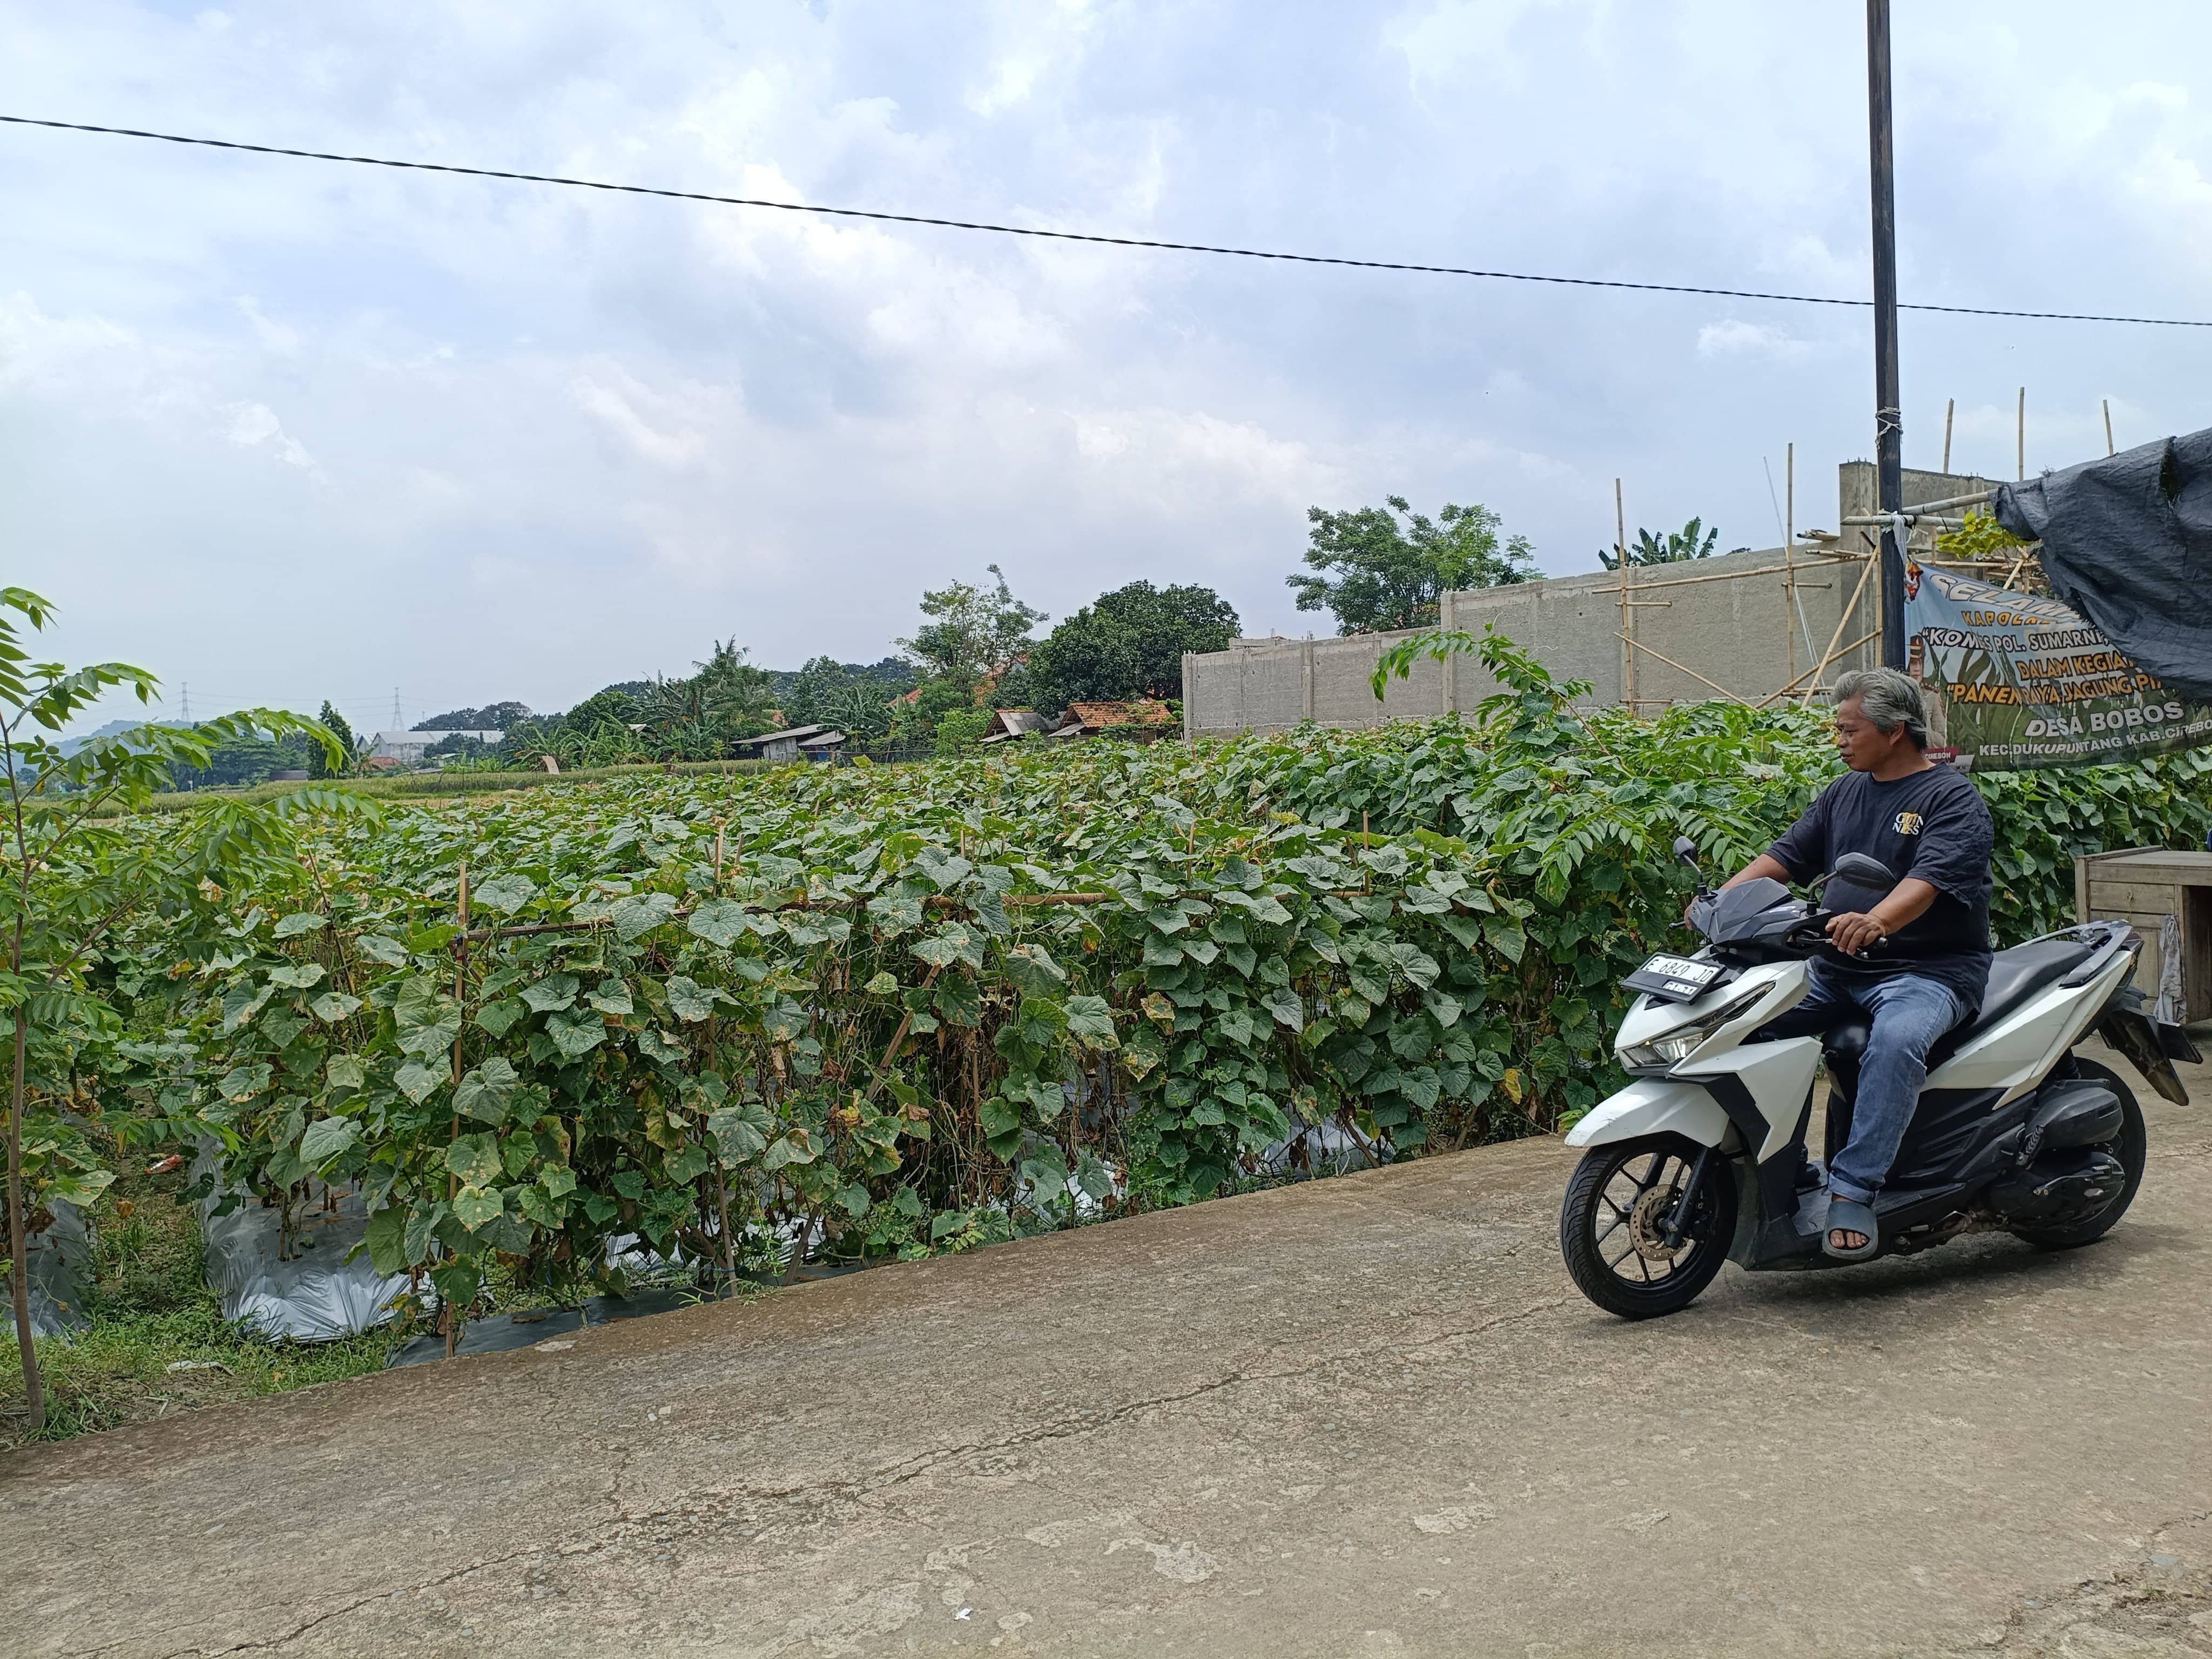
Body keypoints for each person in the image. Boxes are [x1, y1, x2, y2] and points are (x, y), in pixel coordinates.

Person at [1716, 666, 1994, 1259]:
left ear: (1894, 731)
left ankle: (1854, 1189)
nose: (1839, 740)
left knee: (1893, 1043)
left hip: (1927, 972)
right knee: (1742, 1026)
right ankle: (1789, 1169)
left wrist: (1878, 922)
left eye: (1848, 729)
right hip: (1835, 966)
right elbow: (1785, 857)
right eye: (1837, 729)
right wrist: (1721, 901)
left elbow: (1927, 881)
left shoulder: (1950, 798)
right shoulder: (1844, 792)